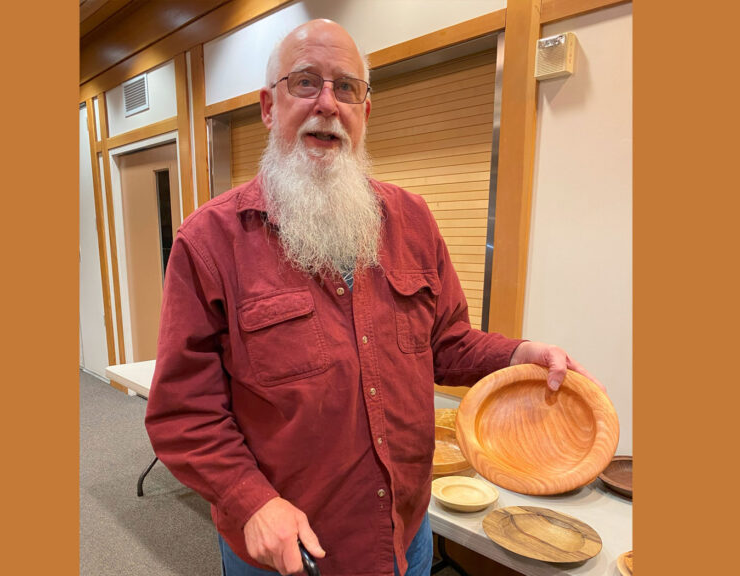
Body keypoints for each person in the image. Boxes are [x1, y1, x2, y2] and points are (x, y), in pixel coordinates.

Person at [145, 18, 600, 576]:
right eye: (306, 82)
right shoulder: (209, 243)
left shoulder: (412, 220)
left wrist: (518, 355)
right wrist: (250, 500)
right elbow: (182, 412)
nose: (328, 104)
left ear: (365, 110)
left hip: (405, 536)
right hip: (290, 553)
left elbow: (447, 341)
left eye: (347, 88)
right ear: (268, 107)